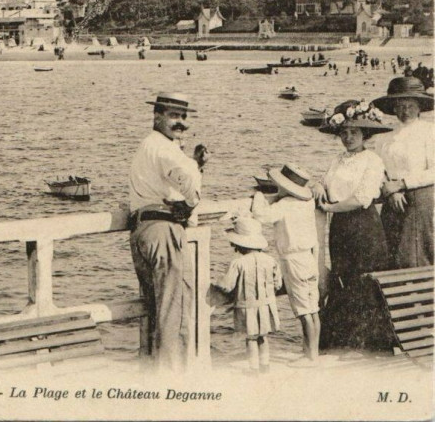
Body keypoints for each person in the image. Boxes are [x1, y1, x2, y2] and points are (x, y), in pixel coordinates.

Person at [128, 92, 208, 372]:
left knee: (155, 309)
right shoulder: (165, 149)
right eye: (174, 116)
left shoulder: (147, 146)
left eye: (184, 117)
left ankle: (152, 377)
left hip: (142, 230)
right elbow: (190, 187)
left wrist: (194, 164)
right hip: (164, 230)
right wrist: (188, 204)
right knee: (175, 311)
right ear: (157, 115)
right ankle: (172, 382)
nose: (181, 123)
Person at [310, 100, 395, 350]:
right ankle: (342, 344)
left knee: (364, 282)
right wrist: (317, 186)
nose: (348, 137)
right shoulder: (338, 160)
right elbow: (325, 183)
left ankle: (372, 346)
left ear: (364, 134)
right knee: (342, 279)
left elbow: (361, 198)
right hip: (340, 229)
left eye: (354, 132)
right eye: (344, 133)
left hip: (364, 227)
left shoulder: (372, 160)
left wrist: (329, 208)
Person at [251, 163, 320, 365]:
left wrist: (258, 197)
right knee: (313, 308)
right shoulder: (306, 203)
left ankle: (310, 356)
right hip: (308, 257)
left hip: (293, 260)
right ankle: (312, 351)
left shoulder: (284, 205)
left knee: (303, 310)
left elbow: (261, 216)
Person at [372, 77, 434, 268]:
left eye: (410, 105)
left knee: (416, 254)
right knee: (391, 252)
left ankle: (422, 296)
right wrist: (390, 190)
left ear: (419, 107)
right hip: (392, 199)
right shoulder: (384, 137)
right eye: (400, 106)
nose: (405, 111)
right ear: (393, 108)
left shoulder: (429, 132)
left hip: (421, 199)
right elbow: (377, 169)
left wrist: (402, 184)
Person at [214, 216, 282, 374]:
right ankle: (265, 366)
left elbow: (227, 285)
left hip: (248, 308)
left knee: (251, 338)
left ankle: (253, 369)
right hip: (266, 306)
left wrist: (216, 283)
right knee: (263, 336)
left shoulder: (238, 263)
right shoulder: (270, 260)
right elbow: (278, 284)